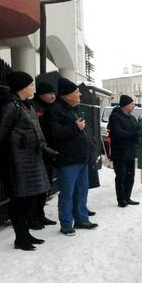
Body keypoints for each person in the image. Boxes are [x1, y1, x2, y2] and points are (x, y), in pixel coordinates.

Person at [0, 71, 53, 250]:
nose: (33, 88)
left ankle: (25, 233)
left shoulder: (25, 105)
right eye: (30, 85)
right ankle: (21, 238)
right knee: (19, 200)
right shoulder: (10, 106)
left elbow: (34, 130)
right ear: (21, 87)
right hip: (17, 161)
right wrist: (17, 146)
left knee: (30, 198)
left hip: (32, 158)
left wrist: (44, 148)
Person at [47, 77, 97, 236]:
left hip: (81, 157)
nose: (80, 96)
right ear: (67, 95)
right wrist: (75, 127)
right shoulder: (55, 110)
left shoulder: (75, 108)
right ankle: (66, 223)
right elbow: (54, 134)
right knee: (67, 193)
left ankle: (81, 218)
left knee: (82, 190)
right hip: (67, 159)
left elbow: (85, 132)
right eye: (77, 93)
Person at [30, 81, 58, 229]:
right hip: (37, 151)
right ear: (41, 94)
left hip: (48, 151)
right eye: (49, 93)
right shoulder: (34, 106)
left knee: (46, 185)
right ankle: (33, 217)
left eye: (54, 93)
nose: (53, 96)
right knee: (37, 186)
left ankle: (40, 214)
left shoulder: (51, 107)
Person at [108, 95, 140, 207]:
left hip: (131, 151)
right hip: (120, 152)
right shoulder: (115, 117)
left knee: (130, 176)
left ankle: (127, 197)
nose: (133, 106)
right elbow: (117, 133)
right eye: (132, 104)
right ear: (125, 105)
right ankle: (121, 200)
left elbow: (137, 130)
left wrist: (140, 132)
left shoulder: (132, 118)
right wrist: (133, 135)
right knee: (121, 176)